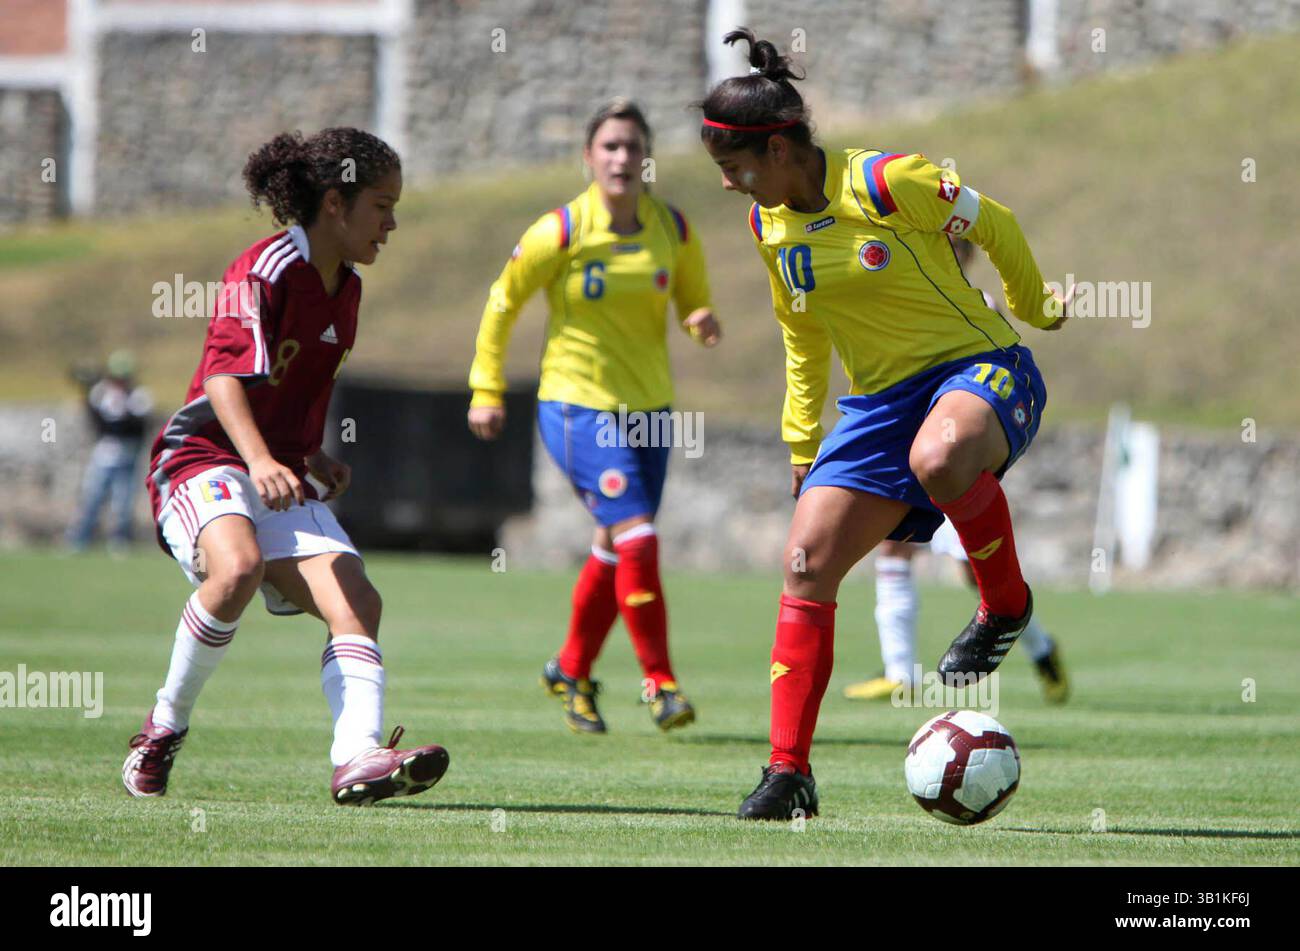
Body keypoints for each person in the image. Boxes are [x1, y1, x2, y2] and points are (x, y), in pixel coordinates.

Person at [698, 29, 1071, 820]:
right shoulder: (769, 227)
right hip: (877, 406)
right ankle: (788, 774)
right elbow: (802, 336)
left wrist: (1036, 307)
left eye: (734, 168)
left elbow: (993, 220)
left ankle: (1004, 605)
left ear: (778, 150)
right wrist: (802, 441)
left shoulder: (887, 180)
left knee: (940, 456)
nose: (729, 185)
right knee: (804, 563)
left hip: (982, 369)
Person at [125, 128, 449, 806]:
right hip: (205, 457)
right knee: (237, 567)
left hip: (274, 463)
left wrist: (313, 455)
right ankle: (161, 731)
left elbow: (298, 384)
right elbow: (222, 380)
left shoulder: (347, 288)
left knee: (358, 601)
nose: (393, 224)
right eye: (382, 205)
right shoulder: (264, 267)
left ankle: (358, 757)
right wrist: (263, 458)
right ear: (336, 202)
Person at [468, 98, 721, 734]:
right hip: (577, 407)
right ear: (588, 157)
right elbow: (503, 302)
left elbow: (692, 296)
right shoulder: (559, 230)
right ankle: (660, 683)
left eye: (633, 147)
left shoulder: (675, 230)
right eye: (610, 146)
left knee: (616, 546)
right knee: (637, 534)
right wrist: (486, 388)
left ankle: (572, 668)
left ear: (648, 159)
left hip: (651, 413)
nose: (622, 158)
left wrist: (700, 320)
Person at [844, 240, 1069, 705]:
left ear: (965, 257)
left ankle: (1042, 649)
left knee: (973, 571)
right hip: (916, 453)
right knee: (893, 546)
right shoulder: (904, 304)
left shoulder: (976, 307)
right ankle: (899, 671)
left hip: (953, 459)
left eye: (953, 247)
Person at [66, 350, 153, 553]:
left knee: (123, 501)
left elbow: (138, 425)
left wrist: (122, 414)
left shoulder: (138, 396)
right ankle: (80, 539)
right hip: (104, 455)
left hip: (129, 454)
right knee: (92, 497)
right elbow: (97, 422)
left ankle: (120, 541)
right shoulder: (101, 393)